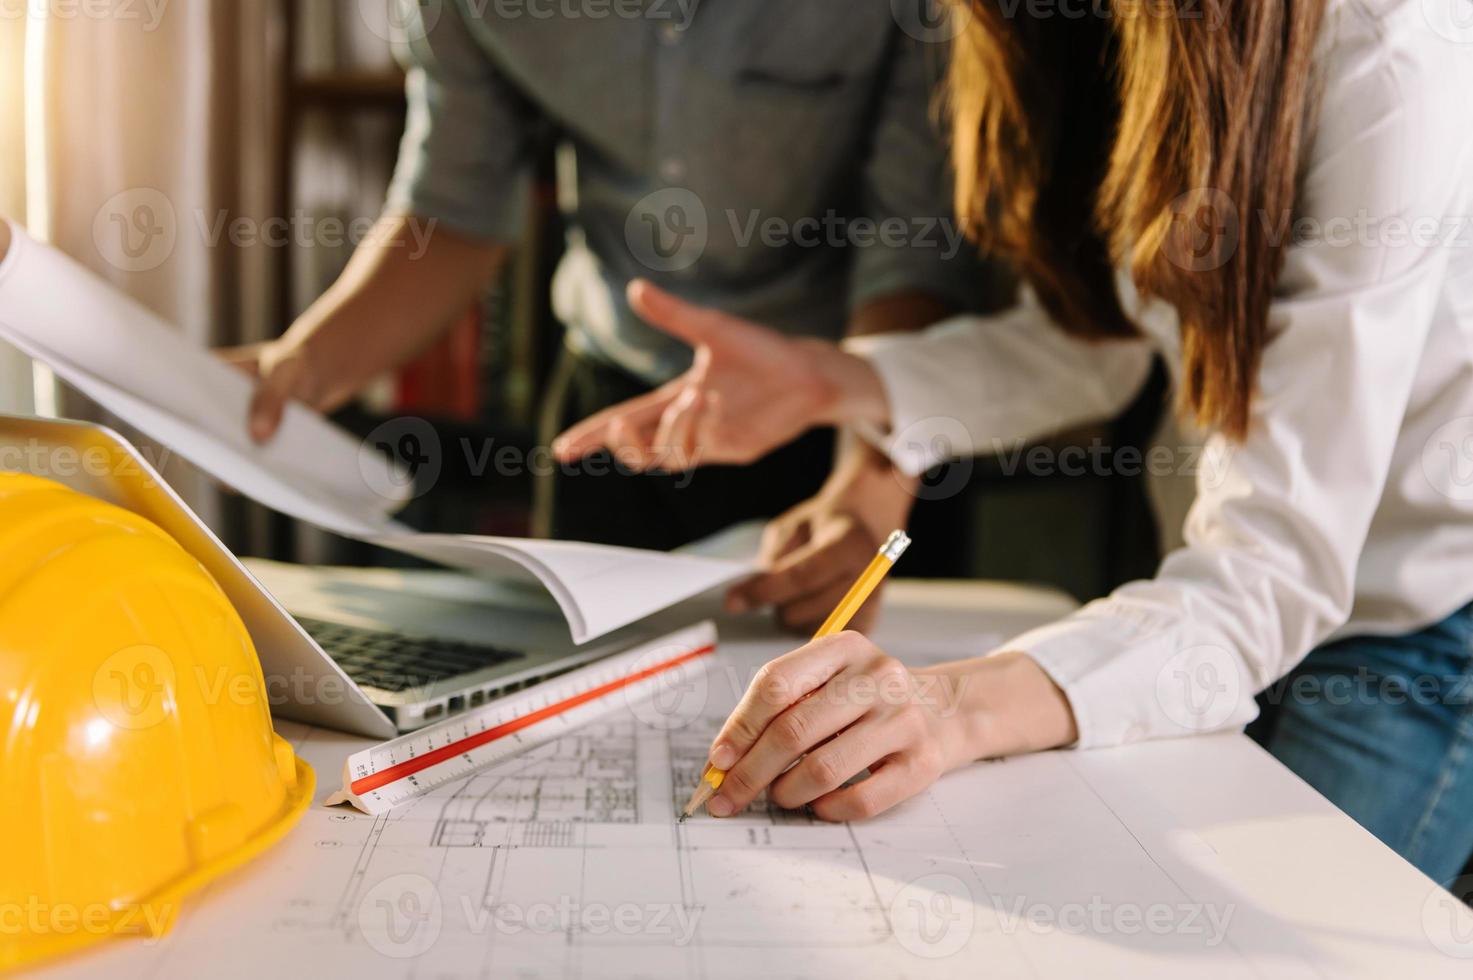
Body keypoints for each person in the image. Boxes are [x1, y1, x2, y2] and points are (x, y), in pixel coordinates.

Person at [553, 0, 1473, 885]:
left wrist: (946, 709)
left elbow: (1273, 573)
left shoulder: (1389, 49)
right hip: (1212, 598)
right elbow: (1105, 337)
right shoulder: (1090, 26)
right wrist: (834, 381)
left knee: (1277, 939)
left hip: (1413, 615)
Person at [224, 0, 992, 628]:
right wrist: (309, 362)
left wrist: (868, 483)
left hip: (862, 417)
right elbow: (452, 206)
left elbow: (918, 240)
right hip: (612, 414)